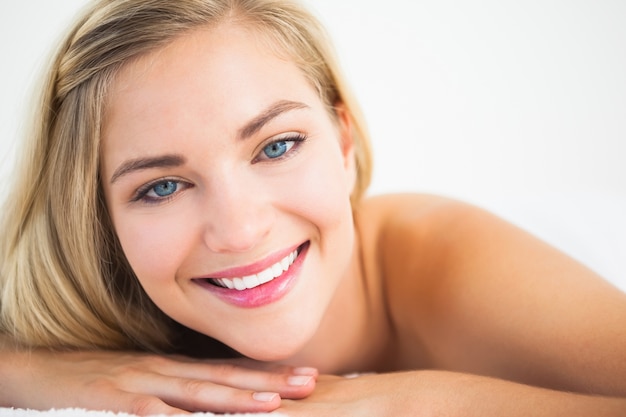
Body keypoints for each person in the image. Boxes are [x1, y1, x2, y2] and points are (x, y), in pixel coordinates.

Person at [1, 0, 625, 415]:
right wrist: (36, 372)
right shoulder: (112, 311)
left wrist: (397, 403)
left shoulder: (435, 252)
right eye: (161, 186)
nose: (241, 230)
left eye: (276, 146)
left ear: (344, 142)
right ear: (99, 224)